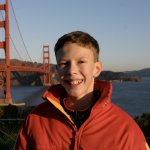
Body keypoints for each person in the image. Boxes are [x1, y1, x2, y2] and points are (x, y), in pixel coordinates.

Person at [15, 31, 150, 150]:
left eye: (81, 62)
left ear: (97, 69)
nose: (72, 71)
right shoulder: (35, 120)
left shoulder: (125, 128)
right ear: (57, 70)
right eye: (63, 64)